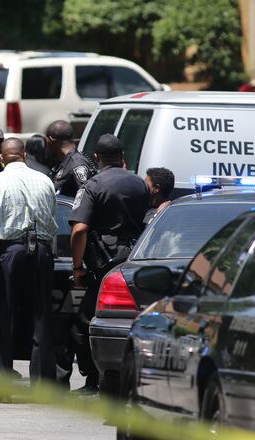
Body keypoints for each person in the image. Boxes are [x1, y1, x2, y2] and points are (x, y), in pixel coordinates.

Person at [67, 134, 150, 395]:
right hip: (136, 260)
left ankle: (95, 381)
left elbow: (79, 229)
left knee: (83, 323)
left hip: (105, 266)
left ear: (96, 157)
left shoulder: (93, 185)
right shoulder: (139, 183)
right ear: (122, 156)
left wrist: (77, 267)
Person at [0, 137, 58, 386]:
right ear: (23, 156)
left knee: (1, 318)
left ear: (1, 158)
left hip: (7, 252)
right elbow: (52, 221)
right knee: (41, 318)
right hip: (41, 251)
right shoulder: (44, 181)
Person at [46, 120, 96, 196]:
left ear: (51, 140)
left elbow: (85, 197)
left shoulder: (77, 163)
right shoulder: (64, 162)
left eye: (46, 141)